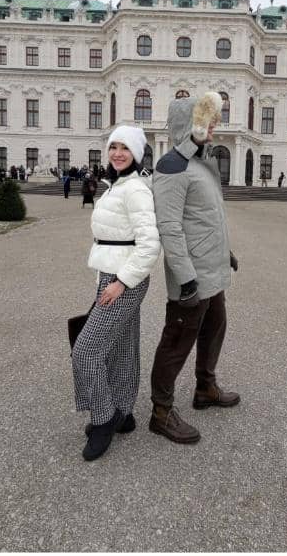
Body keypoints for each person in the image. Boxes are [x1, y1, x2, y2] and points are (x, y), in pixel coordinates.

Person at [149, 91, 240, 445]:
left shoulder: (202, 163)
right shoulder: (171, 166)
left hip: (212, 271)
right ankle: (161, 412)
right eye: (207, 123)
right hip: (193, 277)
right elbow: (170, 227)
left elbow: (206, 218)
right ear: (188, 125)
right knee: (176, 341)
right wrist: (186, 280)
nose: (213, 129)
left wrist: (224, 253)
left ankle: (205, 387)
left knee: (215, 327)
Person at [71, 125, 161, 461]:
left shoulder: (134, 188)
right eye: (113, 147)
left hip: (123, 279)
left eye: (125, 148)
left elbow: (149, 245)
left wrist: (121, 282)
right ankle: (123, 411)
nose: (118, 153)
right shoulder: (118, 184)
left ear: (136, 154)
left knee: (85, 351)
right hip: (112, 274)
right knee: (122, 348)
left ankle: (104, 417)